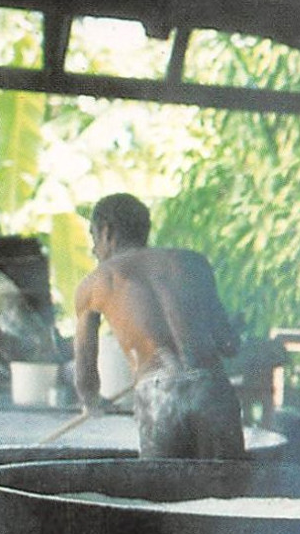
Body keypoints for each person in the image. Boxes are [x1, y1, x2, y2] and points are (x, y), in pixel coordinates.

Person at [73, 193, 246, 460]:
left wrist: (92, 402)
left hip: (157, 395)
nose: (94, 249)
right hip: (211, 389)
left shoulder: (95, 283)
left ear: (107, 232)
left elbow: (85, 370)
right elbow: (229, 344)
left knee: (166, 495)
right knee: (229, 488)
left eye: (93, 237)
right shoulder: (193, 263)